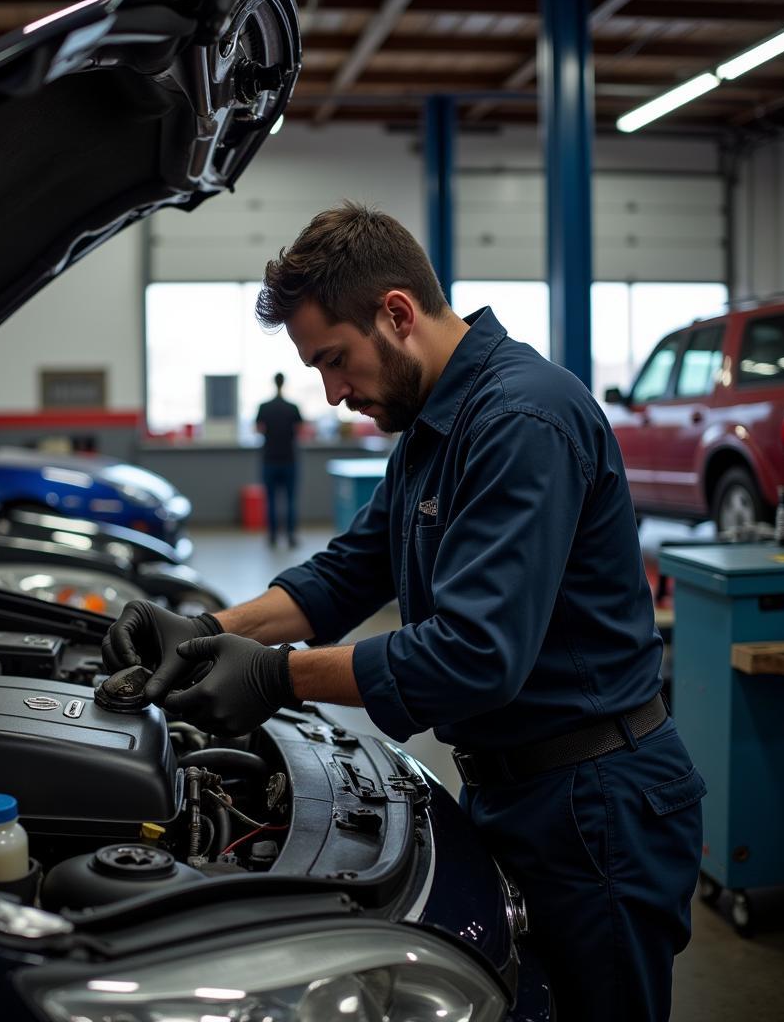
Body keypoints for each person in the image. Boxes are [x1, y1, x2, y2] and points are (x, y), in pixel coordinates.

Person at [103, 203, 704, 1022]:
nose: (333, 391)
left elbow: (473, 655)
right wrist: (210, 635)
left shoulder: (521, 419)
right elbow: (347, 573)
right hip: (519, 789)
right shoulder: (432, 427)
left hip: (595, 803)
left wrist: (278, 678)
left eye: (335, 360)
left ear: (396, 313)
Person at [255, 371, 303, 547]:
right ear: (284, 383)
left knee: (271, 500)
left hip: (269, 459)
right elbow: (300, 430)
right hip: (289, 459)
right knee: (290, 500)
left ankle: (272, 537)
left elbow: (259, 429)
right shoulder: (292, 407)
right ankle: (290, 536)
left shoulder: (264, 407)